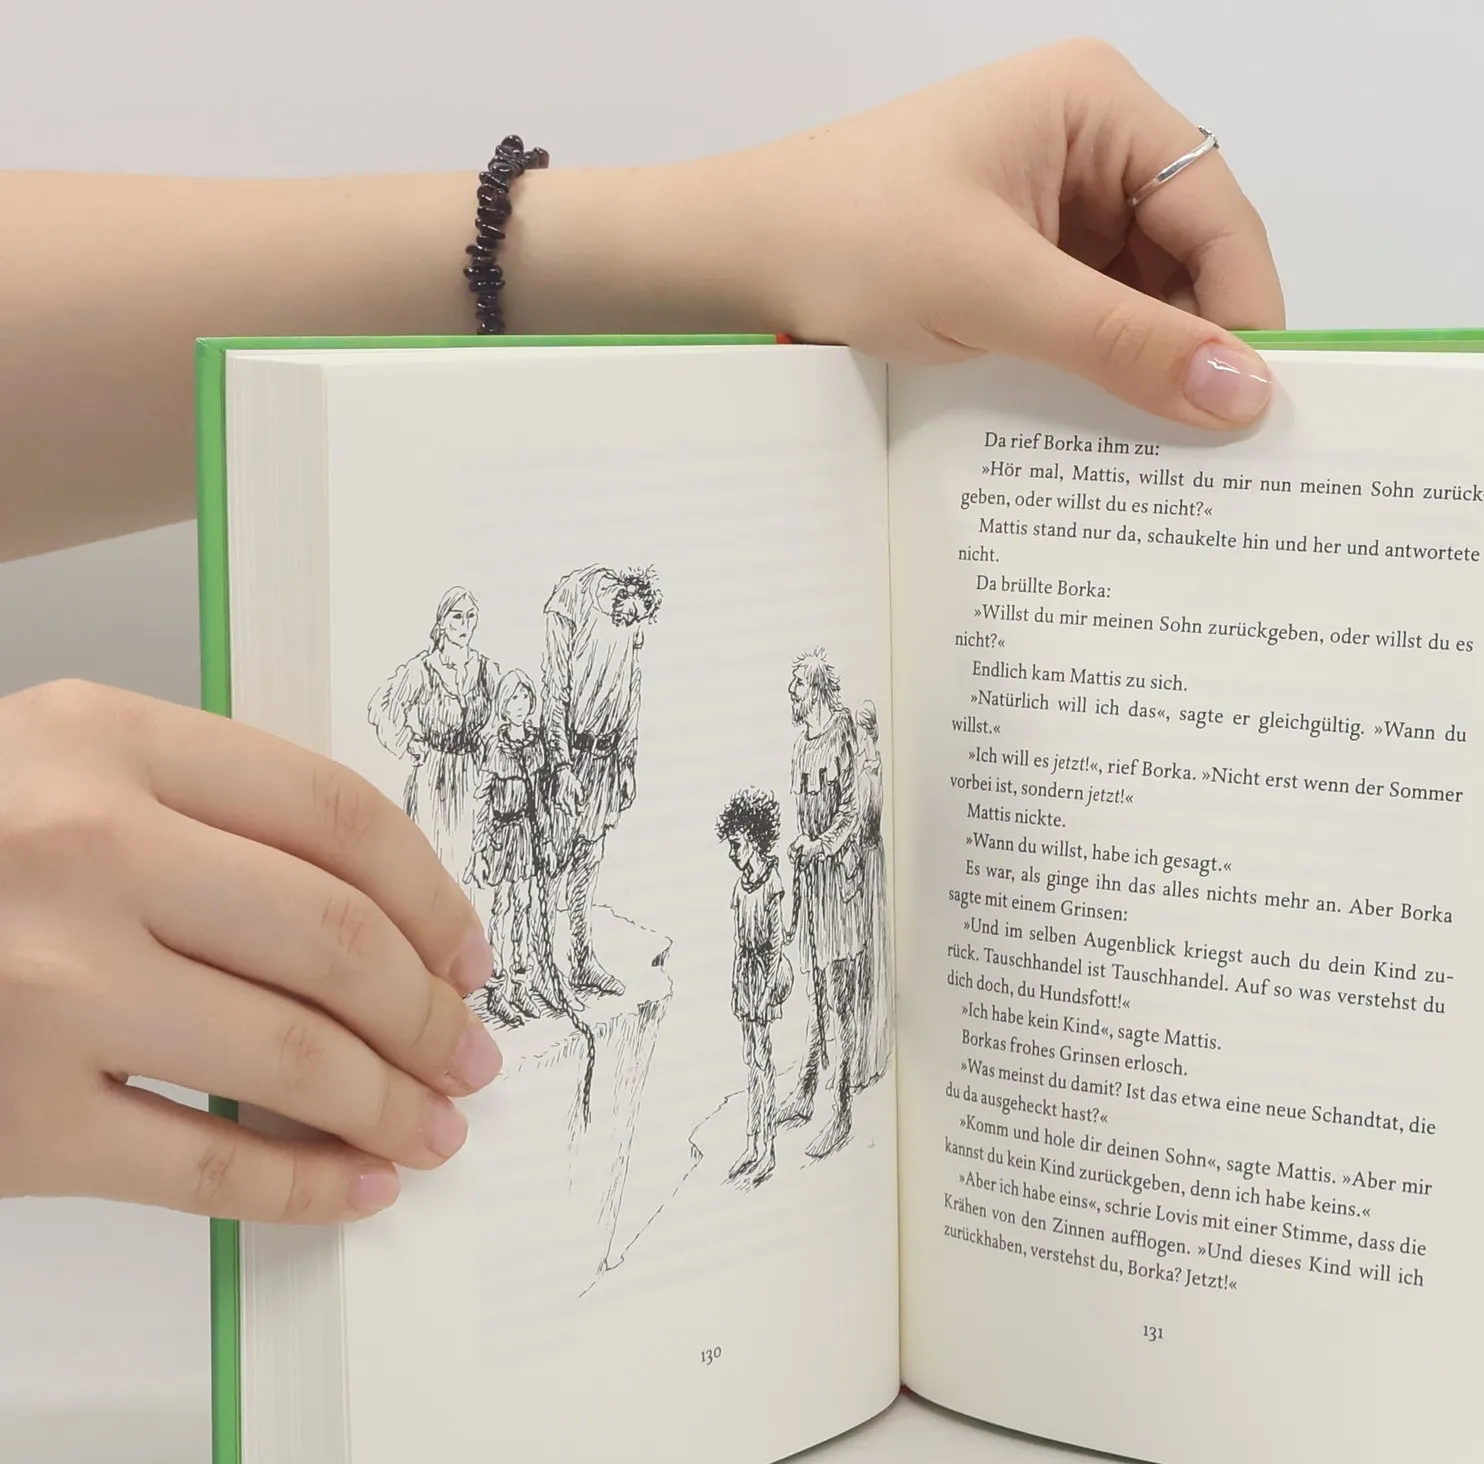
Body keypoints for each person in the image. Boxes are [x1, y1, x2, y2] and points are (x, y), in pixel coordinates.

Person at [0, 41, 1284, 1226]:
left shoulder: (669, 696)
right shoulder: (536, 672)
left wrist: (725, 236)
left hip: (693, 849)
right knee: (529, 907)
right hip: (517, 820)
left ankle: (674, 1027)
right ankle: (590, 1001)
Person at [539, 565, 663, 995]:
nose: (634, 626)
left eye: (640, 619)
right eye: (632, 614)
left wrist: (627, 761)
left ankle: (581, 960)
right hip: (568, 755)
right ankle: (541, 964)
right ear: (624, 590)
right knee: (553, 860)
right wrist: (561, 766)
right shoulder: (571, 598)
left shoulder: (631, 627)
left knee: (588, 860)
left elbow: (632, 688)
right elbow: (554, 689)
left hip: (605, 760)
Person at [777, 653, 862, 1161]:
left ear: (816, 689)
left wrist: (819, 846)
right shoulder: (800, 747)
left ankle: (842, 1110)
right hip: (812, 882)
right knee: (814, 994)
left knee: (841, 998)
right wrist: (802, 851)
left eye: (797, 685)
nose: (792, 693)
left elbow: (850, 810)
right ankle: (806, 1092)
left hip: (839, 880)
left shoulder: (843, 731)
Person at [367, 587, 499, 896]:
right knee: (434, 858)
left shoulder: (485, 670)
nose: (465, 625)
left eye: (471, 617)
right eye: (457, 617)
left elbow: (506, 712)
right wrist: (407, 741)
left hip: (474, 775)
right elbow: (381, 707)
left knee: (471, 858)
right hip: (433, 775)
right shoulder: (422, 670)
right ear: (442, 622)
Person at [468, 669, 572, 1028]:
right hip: (503, 835)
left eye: (525, 697)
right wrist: (479, 848)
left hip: (530, 834)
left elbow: (542, 799)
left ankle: (521, 983)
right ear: (502, 704)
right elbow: (482, 799)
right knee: (503, 907)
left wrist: (548, 839)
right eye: (513, 698)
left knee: (526, 906)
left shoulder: (537, 743)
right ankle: (498, 988)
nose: (520, 704)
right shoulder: (495, 747)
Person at [716, 787, 789, 1189]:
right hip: (744, 975)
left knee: (764, 1059)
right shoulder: (740, 886)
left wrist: (765, 990)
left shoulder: (771, 883)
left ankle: (768, 1149)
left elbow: (776, 944)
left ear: (755, 841)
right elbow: (737, 940)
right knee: (751, 1060)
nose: (732, 853)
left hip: (763, 975)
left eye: (737, 844)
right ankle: (751, 1144)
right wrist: (738, 985)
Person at [848, 701, 893, 1092]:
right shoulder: (876, 766)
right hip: (876, 858)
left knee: (865, 958)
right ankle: (873, 1053)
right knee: (874, 953)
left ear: (864, 732)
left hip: (865, 862)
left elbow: (861, 824)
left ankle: (865, 1060)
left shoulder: (865, 773)